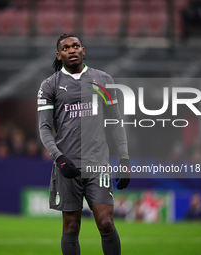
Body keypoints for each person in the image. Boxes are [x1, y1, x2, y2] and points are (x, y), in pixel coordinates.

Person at [38, 33, 130, 255]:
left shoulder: (103, 79)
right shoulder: (50, 85)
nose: (72, 50)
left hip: (98, 163)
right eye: (66, 47)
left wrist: (125, 158)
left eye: (76, 46)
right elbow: (44, 128)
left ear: (83, 50)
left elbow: (115, 121)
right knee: (71, 226)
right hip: (67, 167)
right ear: (59, 55)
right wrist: (59, 158)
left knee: (106, 222)